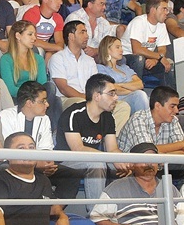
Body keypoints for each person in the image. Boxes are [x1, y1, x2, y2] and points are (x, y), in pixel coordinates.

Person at [54, 73, 130, 205]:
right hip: (66, 162)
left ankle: (123, 209)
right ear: (96, 96)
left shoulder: (108, 117)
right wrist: (110, 158)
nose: (116, 97)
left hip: (93, 159)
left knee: (125, 166)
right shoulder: (74, 114)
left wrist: (125, 162)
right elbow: (78, 149)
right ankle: (97, 214)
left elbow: (113, 149)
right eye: (111, 93)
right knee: (97, 163)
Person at [95, 35, 149, 114]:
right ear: (107, 50)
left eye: (121, 47)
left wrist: (120, 84)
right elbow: (111, 89)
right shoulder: (100, 68)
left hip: (134, 97)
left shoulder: (124, 67)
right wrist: (132, 90)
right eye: (117, 47)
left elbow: (140, 84)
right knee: (140, 95)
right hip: (117, 101)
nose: (121, 50)